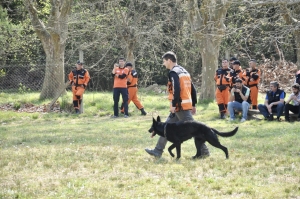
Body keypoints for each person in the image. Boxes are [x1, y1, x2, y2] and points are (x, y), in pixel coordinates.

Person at [145, 51, 210, 158]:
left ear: (169, 60)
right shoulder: (184, 71)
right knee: (166, 128)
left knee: (195, 129)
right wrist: (193, 103)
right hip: (183, 106)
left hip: (180, 107)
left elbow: (177, 89)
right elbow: (192, 88)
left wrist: (174, 104)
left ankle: (204, 151)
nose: (164, 64)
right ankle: (157, 151)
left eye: (164, 61)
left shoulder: (173, 72)